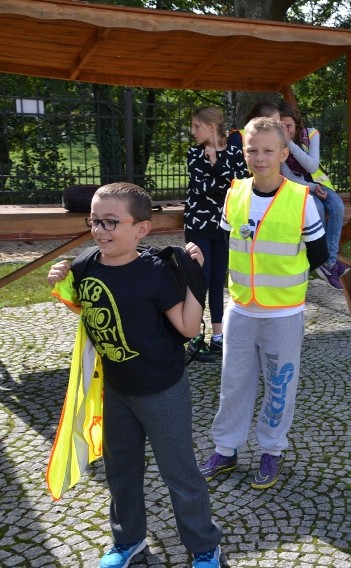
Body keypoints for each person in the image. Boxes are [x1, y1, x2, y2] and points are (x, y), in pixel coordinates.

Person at [47, 183, 223, 568]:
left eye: (111, 222)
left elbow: (189, 328)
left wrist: (195, 277)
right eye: (95, 221)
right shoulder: (86, 265)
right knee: (121, 471)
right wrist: (57, 277)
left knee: (180, 472)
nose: (100, 230)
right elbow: (83, 305)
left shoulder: (156, 272)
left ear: (141, 229)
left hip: (163, 390)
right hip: (116, 389)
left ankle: (205, 546)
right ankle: (128, 541)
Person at [197, 117, 329, 491]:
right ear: (243, 152)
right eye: (252, 150)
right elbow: (225, 243)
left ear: (284, 154)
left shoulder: (301, 199)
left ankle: (271, 450)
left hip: (283, 314)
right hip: (240, 309)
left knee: (279, 385)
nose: (259, 157)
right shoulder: (234, 192)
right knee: (233, 383)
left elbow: (318, 254)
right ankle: (226, 448)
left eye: (268, 150)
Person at [185, 105, 248, 362]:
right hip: (199, 224)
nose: (192, 131)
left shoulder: (234, 151)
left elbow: (241, 185)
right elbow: (203, 188)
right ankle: (195, 336)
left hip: (224, 225)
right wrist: (221, 173)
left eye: (196, 126)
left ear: (212, 127)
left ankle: (218, 338)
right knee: (201, 276)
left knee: (217, 280)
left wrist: (215, 164)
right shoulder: (193, 153)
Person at [278, 101, 349, 290]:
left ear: (296, 124)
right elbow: (288, 177)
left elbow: (312, 166)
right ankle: (327, 262)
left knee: (337, 206)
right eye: (281, 127)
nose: (286, 131)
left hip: (320, 183)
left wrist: (290, 144)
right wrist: (310, 187)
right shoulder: (277, 143)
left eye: (289, 126)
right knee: (315, 207)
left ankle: (328, 261)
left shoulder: (311, 134)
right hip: (299, 186)